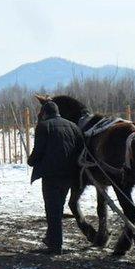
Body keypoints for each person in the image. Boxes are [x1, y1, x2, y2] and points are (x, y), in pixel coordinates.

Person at [27, 100, 84, 255]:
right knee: (58, 207)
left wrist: (31, 161)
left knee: (52, 210)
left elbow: (38, 150)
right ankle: (51, 238)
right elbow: (80, 150)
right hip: (68, 175)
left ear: (44, 113)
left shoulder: (44, 126)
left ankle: (55, 245)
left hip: (51, 175)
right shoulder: (73, 126)